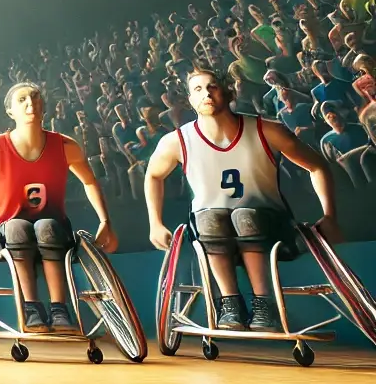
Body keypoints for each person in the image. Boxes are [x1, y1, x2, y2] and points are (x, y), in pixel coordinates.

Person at [145, 67, 341, 332]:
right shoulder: (177, 141)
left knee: (244, 215)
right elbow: (153, 176)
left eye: (212, 86)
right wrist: (155, 223)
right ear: (190, 100)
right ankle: (230, 303)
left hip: (272, 229)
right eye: (198, 89)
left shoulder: (267, 130)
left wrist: (330, 216)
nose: (207, 94)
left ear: (228, 91)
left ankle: (263, 303)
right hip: (211, 233)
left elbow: (317, 166)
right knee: (211, 217)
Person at [0, 81, 118, 335]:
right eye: (22, 100)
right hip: (7, 231)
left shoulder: (65, 146)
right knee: (19, 227)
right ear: (10, 112)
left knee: (46, 225)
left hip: (53, 228)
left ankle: (59, 308)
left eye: (35, 97)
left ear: (43, 105)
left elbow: (89, 181)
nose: (31, 103)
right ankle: (30, 306)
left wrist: (105, 221)